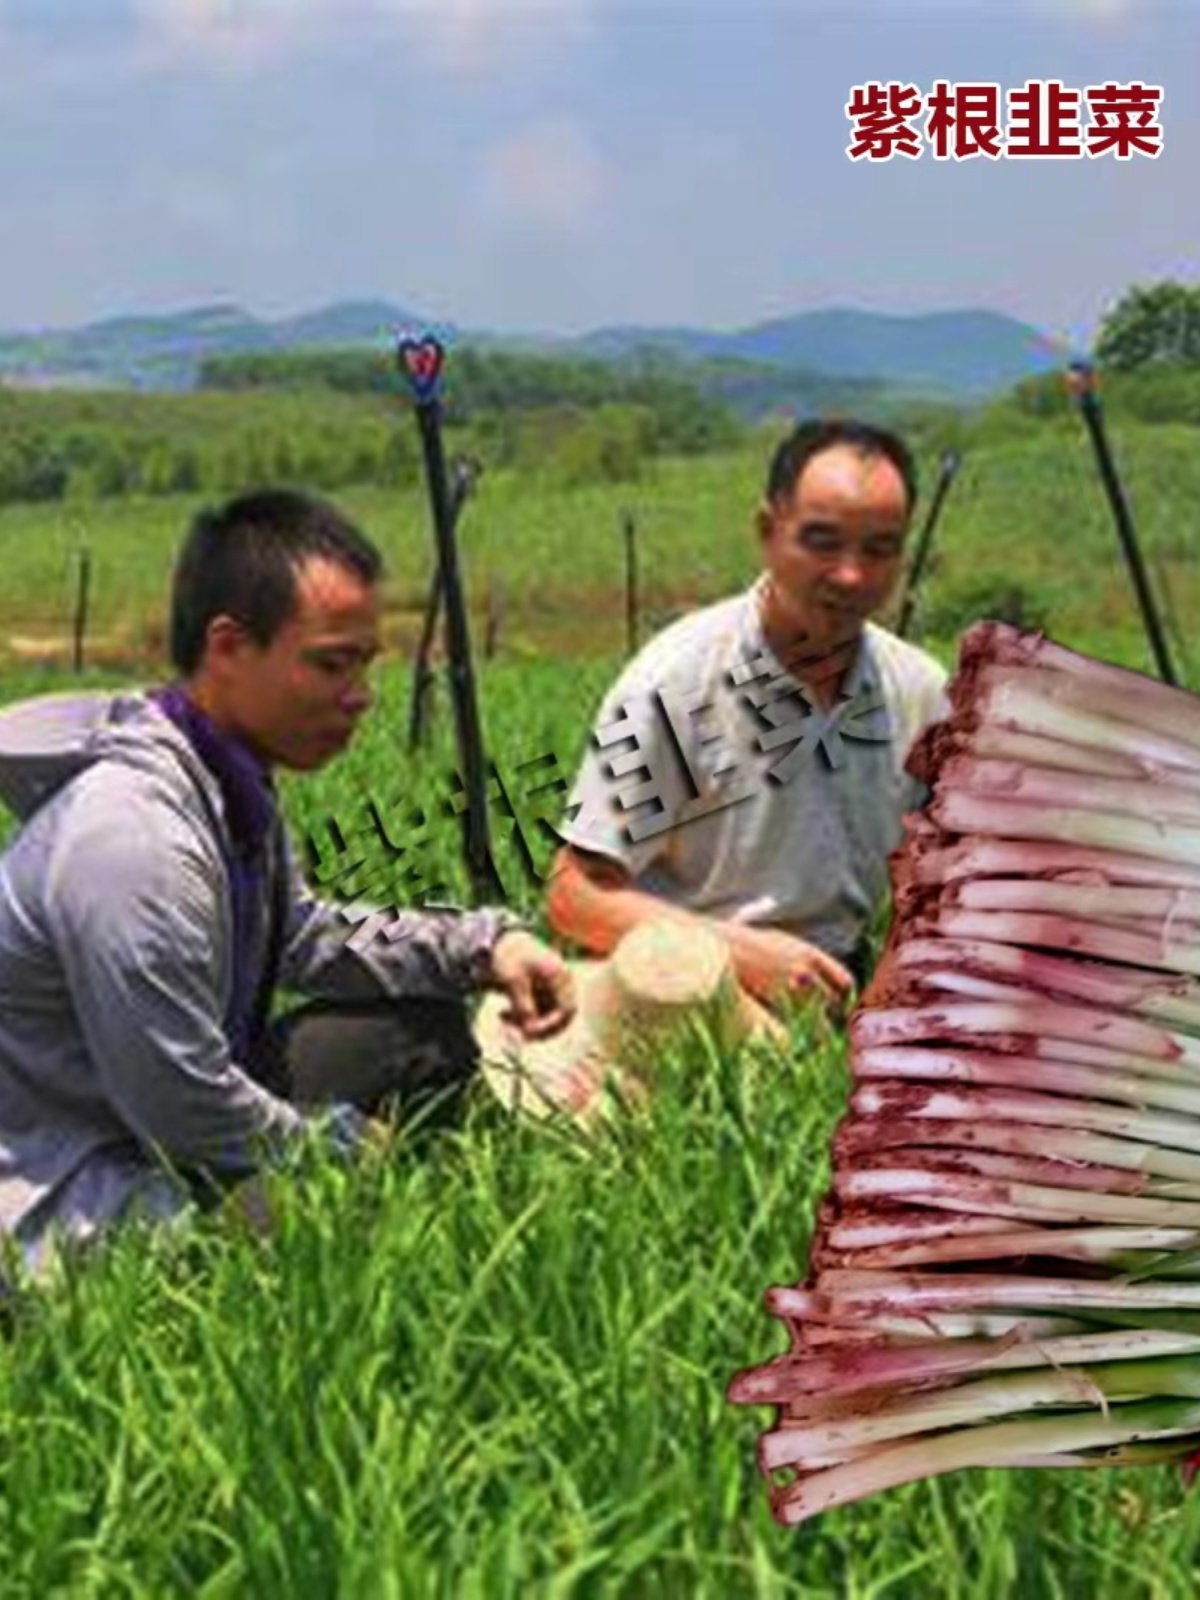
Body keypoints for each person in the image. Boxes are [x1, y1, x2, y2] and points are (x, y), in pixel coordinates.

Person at [0, 488, 574, 1275]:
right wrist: (337, 1148)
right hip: (55, 1184)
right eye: (330, 663)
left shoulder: (226, 784)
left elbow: (300, 935)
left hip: (139, 1121)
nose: (360, 696)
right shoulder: (136, 842)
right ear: (230, 647)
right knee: (340, 1245)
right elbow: (181, 1104)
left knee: (413, 1031)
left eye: (364, 664)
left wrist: (483, 945)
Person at [547, 418, 950, 1012]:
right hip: (686, 996)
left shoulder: (918, 690)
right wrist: (734, 953)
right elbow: (573, 896)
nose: (851, 574)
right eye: (822, 542)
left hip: (844, 992)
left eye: (879, 550)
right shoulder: (677, 685)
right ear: (768, 532)